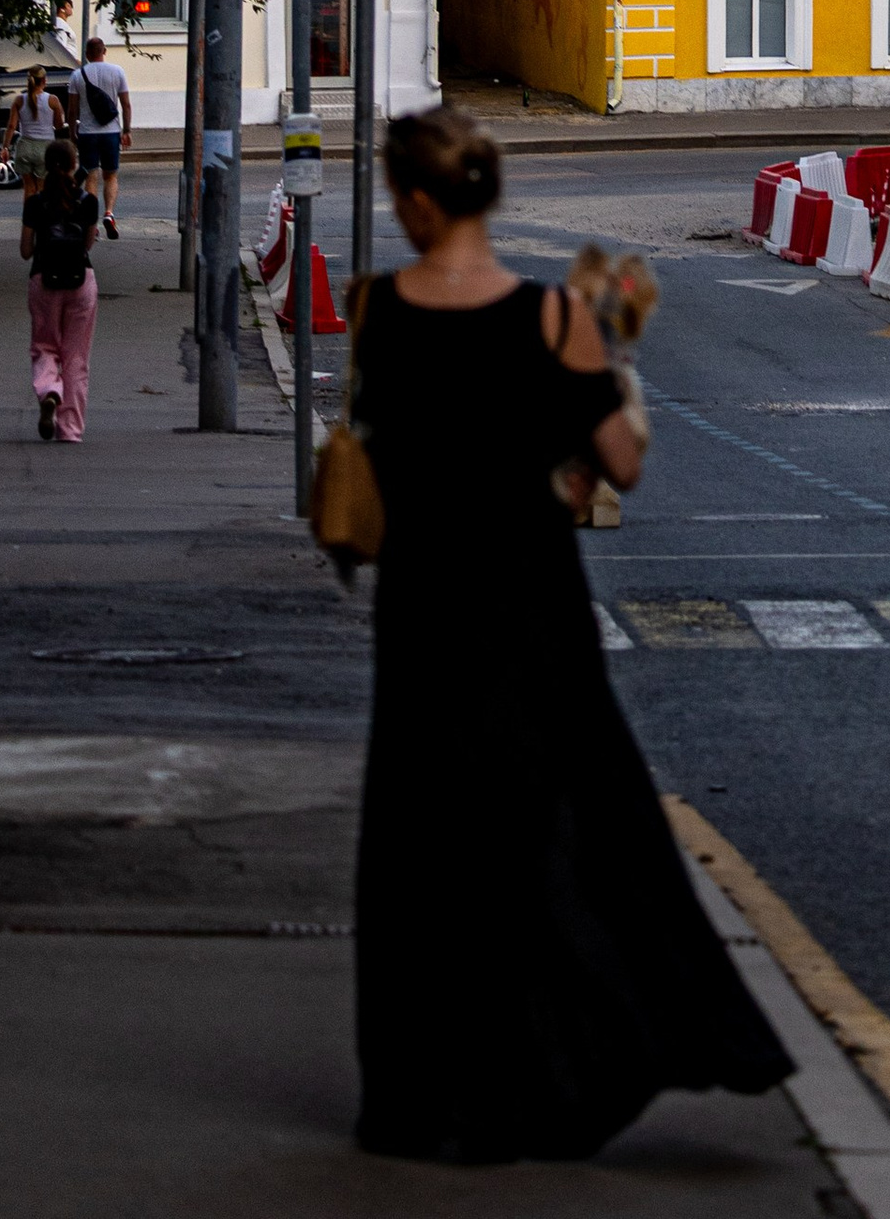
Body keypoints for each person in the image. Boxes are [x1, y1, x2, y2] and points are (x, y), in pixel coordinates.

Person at [348, 105, 788, 1165]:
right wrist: (602, 375)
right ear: (486, 193)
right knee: (555, 836)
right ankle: (559, 1065)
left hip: (423, 608)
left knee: (422, 846)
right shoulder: (555, 320)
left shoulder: (380, 312)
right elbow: (620, 463)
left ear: (415, 201)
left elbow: (384, 452)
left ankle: (422, 1092)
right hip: (529, 604)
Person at [21, 135, 99, 443]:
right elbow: (88, 244)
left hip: (43, 280)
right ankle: (70, 430)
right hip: (81, 282)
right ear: (74, 165)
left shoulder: (35, 203)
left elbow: (26, 250)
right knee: (76, 358)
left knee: (44, 346)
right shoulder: (88, 201)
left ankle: (50, 391)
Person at [71, 26, 130, 238]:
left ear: (86, 54)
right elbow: (125, 104)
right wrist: (127, 130)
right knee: (111, 175)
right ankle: (109, 213)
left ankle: (91, 222)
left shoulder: (77, 75)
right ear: (104, 51)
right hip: (111, 131)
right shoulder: (117, 72)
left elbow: (72, 109)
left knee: (91, 176)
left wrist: (73, 135)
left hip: (87, 133)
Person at [4, 61, 62, 189]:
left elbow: (11, 126)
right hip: (45, 147)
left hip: (25, 146)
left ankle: (29, 209)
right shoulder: (52, 100)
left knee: (28, 187)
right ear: (44, 80)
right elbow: (59, 125)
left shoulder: (19, 100)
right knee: (42, 187)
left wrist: (5, 147)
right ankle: (41, 209)